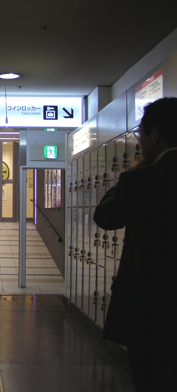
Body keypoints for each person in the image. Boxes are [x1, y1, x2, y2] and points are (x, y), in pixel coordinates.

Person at [93, 97, 177, 392]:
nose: (139, 143)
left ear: (154, 134)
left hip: (148, 304)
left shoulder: (143, 179)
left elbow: (105, 217)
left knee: (151, 377)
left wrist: (136, 170)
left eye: (140, 135)